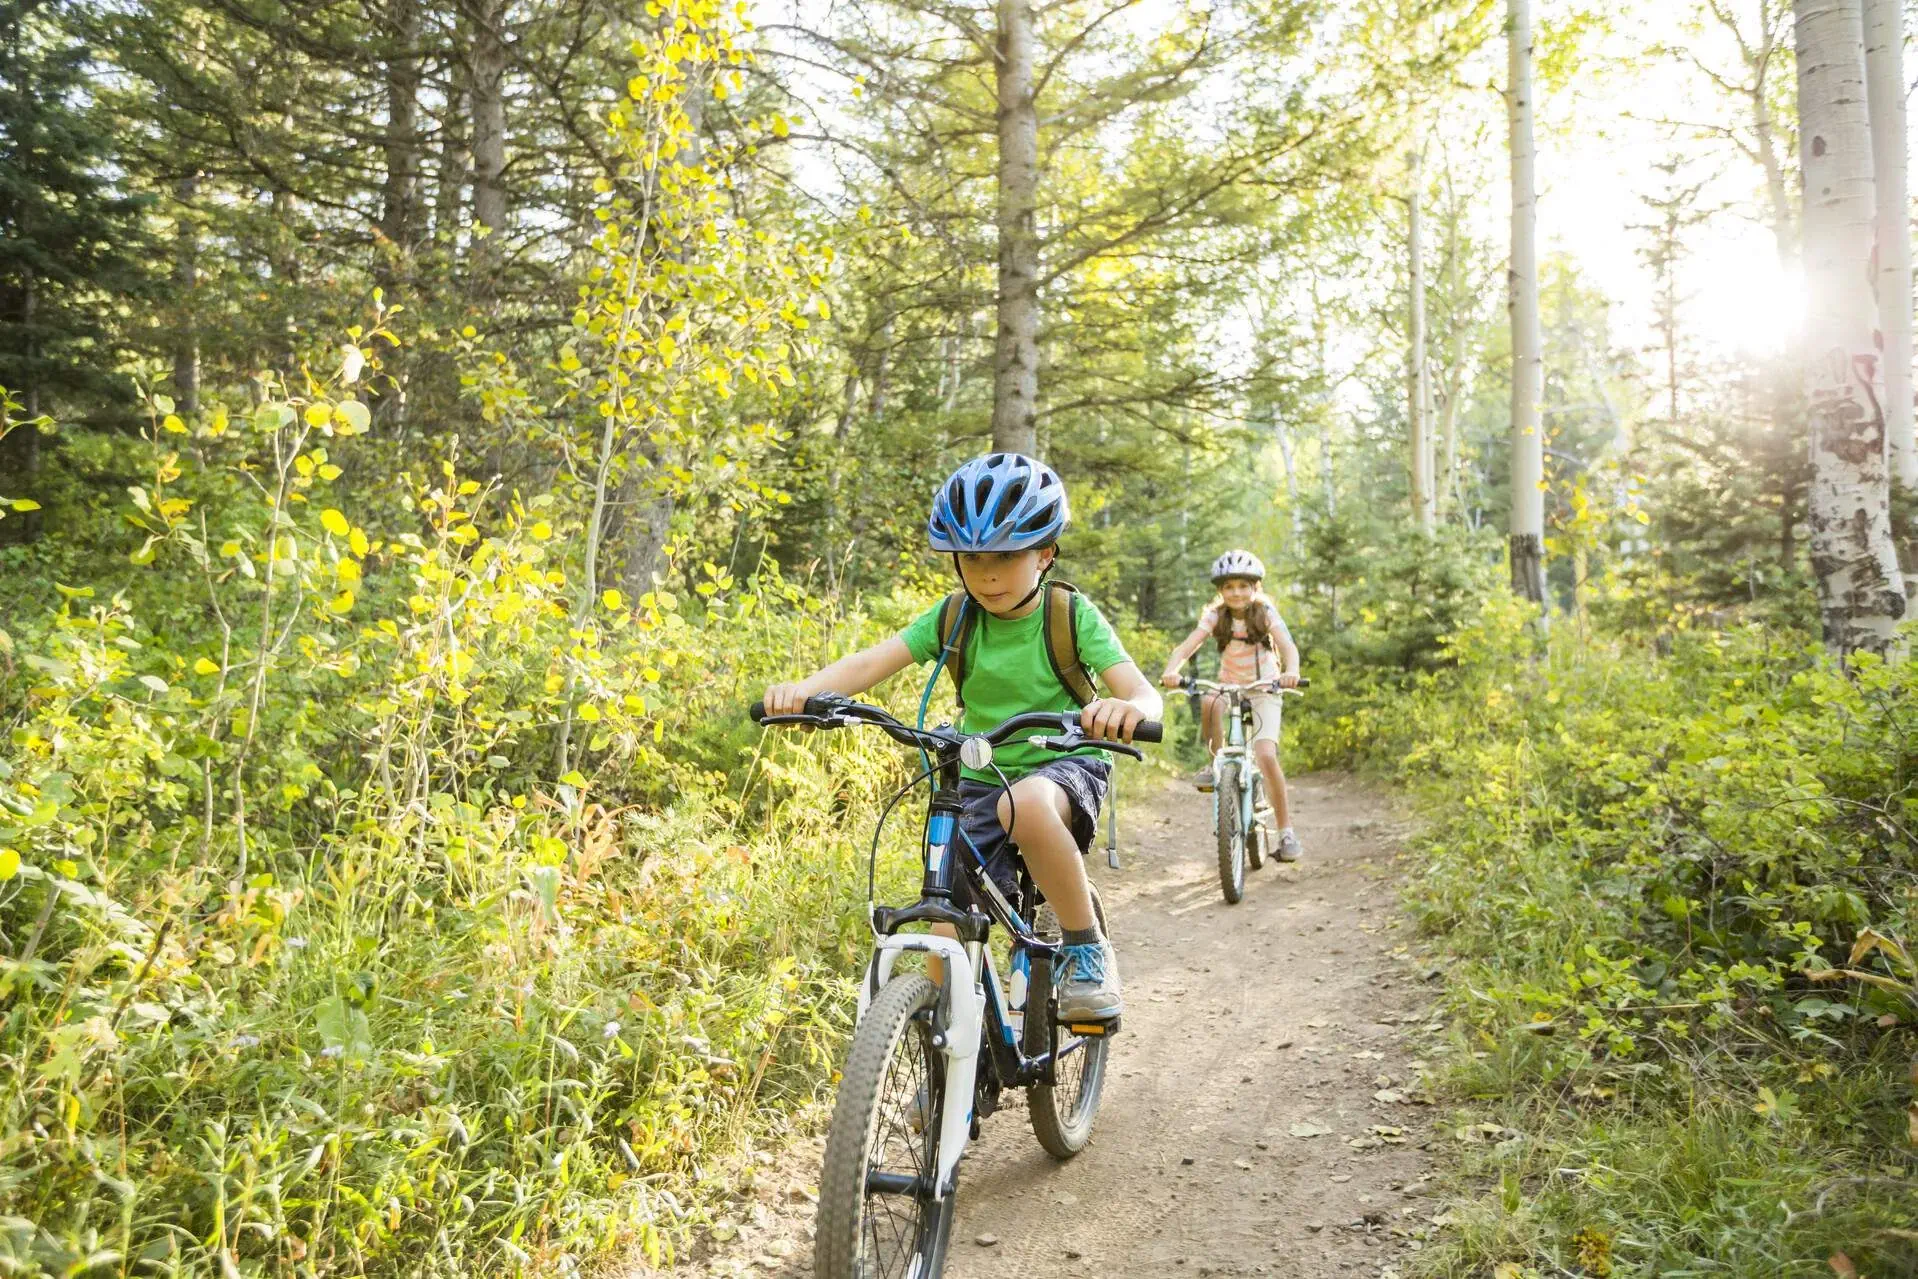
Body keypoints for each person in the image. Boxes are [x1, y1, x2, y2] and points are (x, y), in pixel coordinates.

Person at [761, 452, 1163, 1020]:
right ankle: (945, 1060)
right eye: (971, 557)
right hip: (978, 773)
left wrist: (1124, 709)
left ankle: (1085, 945)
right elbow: (870, 663)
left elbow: (1144, 695)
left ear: (1045, 553)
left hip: (1062, 766)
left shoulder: (1069, 615)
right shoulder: (955, 617)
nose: (987, 574)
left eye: (1006, 555)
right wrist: (802, 692)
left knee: (1022, 803)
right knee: (944, 920)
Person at [1158, 549, 1303, 861]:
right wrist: (1172, 670)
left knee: (1265, 755)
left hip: (1265, 687)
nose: (1236, 593)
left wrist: (1291, 672)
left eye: (1243, 586)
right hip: (1229, 685)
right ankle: (1215, 763)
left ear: (1255, 588)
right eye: (1229, 587)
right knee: (1210, 701)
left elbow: (1287, 646)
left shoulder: (1264, 613)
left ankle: (1286, 831)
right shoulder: (1216, 615)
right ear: (1220, 591)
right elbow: (1188, 646)